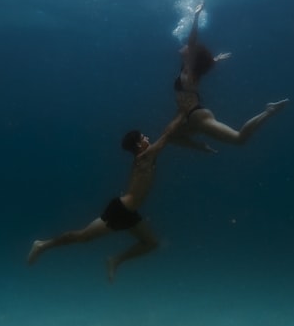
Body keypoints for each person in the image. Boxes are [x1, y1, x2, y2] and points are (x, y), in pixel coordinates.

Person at [27, 112, 184, 283]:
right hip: (120, 210)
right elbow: (167, 135)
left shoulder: (147, 157)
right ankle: (42, 245)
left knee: (151, 243)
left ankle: (115, 260)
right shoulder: (145, 157)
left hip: (130, 213)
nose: (148, 137)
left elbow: (168, 138)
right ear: (139, 143)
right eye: (144, 136)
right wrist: (183, 114)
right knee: (83, 237)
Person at [173, 3, 289, 147]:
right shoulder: (188, 68)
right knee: (172, 137)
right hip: (190, 118)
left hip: (196, 116)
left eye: (187, 46)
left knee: (239, 138)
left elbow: (192, 41)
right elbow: (200, 63)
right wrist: (214, 60)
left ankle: (269, 111)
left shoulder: (189, 69)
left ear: (192, 54)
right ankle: (201, 147)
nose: (183, 45)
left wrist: (196, 16)